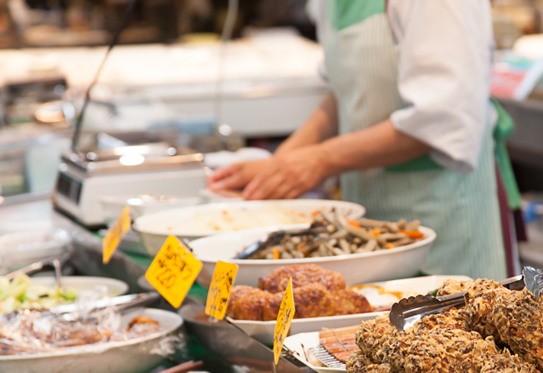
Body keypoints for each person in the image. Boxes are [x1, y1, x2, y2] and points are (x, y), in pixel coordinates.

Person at [208, 0, 510, 281]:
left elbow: (443, 115)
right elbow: (348, 92)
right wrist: (279, 166)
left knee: (451, 325)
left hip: (443, 222)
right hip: (368, 223)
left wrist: (319, 160)